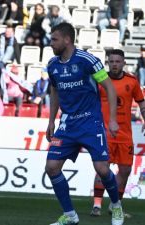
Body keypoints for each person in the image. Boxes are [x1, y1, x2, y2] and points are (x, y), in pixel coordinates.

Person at [45, 22, 124, 225]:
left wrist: (112, 119)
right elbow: (55, 91)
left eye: (54, 39)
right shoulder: (53, 65)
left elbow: (109, 87)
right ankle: (70, 216)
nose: (51, 43)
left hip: (90, 121)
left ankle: (116, 206)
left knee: (103, 169)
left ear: (67, 40)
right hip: (67, 124)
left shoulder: (87, 61)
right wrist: (51, 121)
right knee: (52, 167)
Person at [90, 49, 145, 217]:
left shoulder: (132, 81)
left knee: (125, 170)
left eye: (117, 61)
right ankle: (97, 205)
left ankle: (115, 205)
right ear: (108, 63)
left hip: (125, 134)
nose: (114, 64)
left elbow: (141, 103)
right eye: (111, 61)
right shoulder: (99, 81)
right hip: (104, 132)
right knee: (102, 168)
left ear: (123, 63)